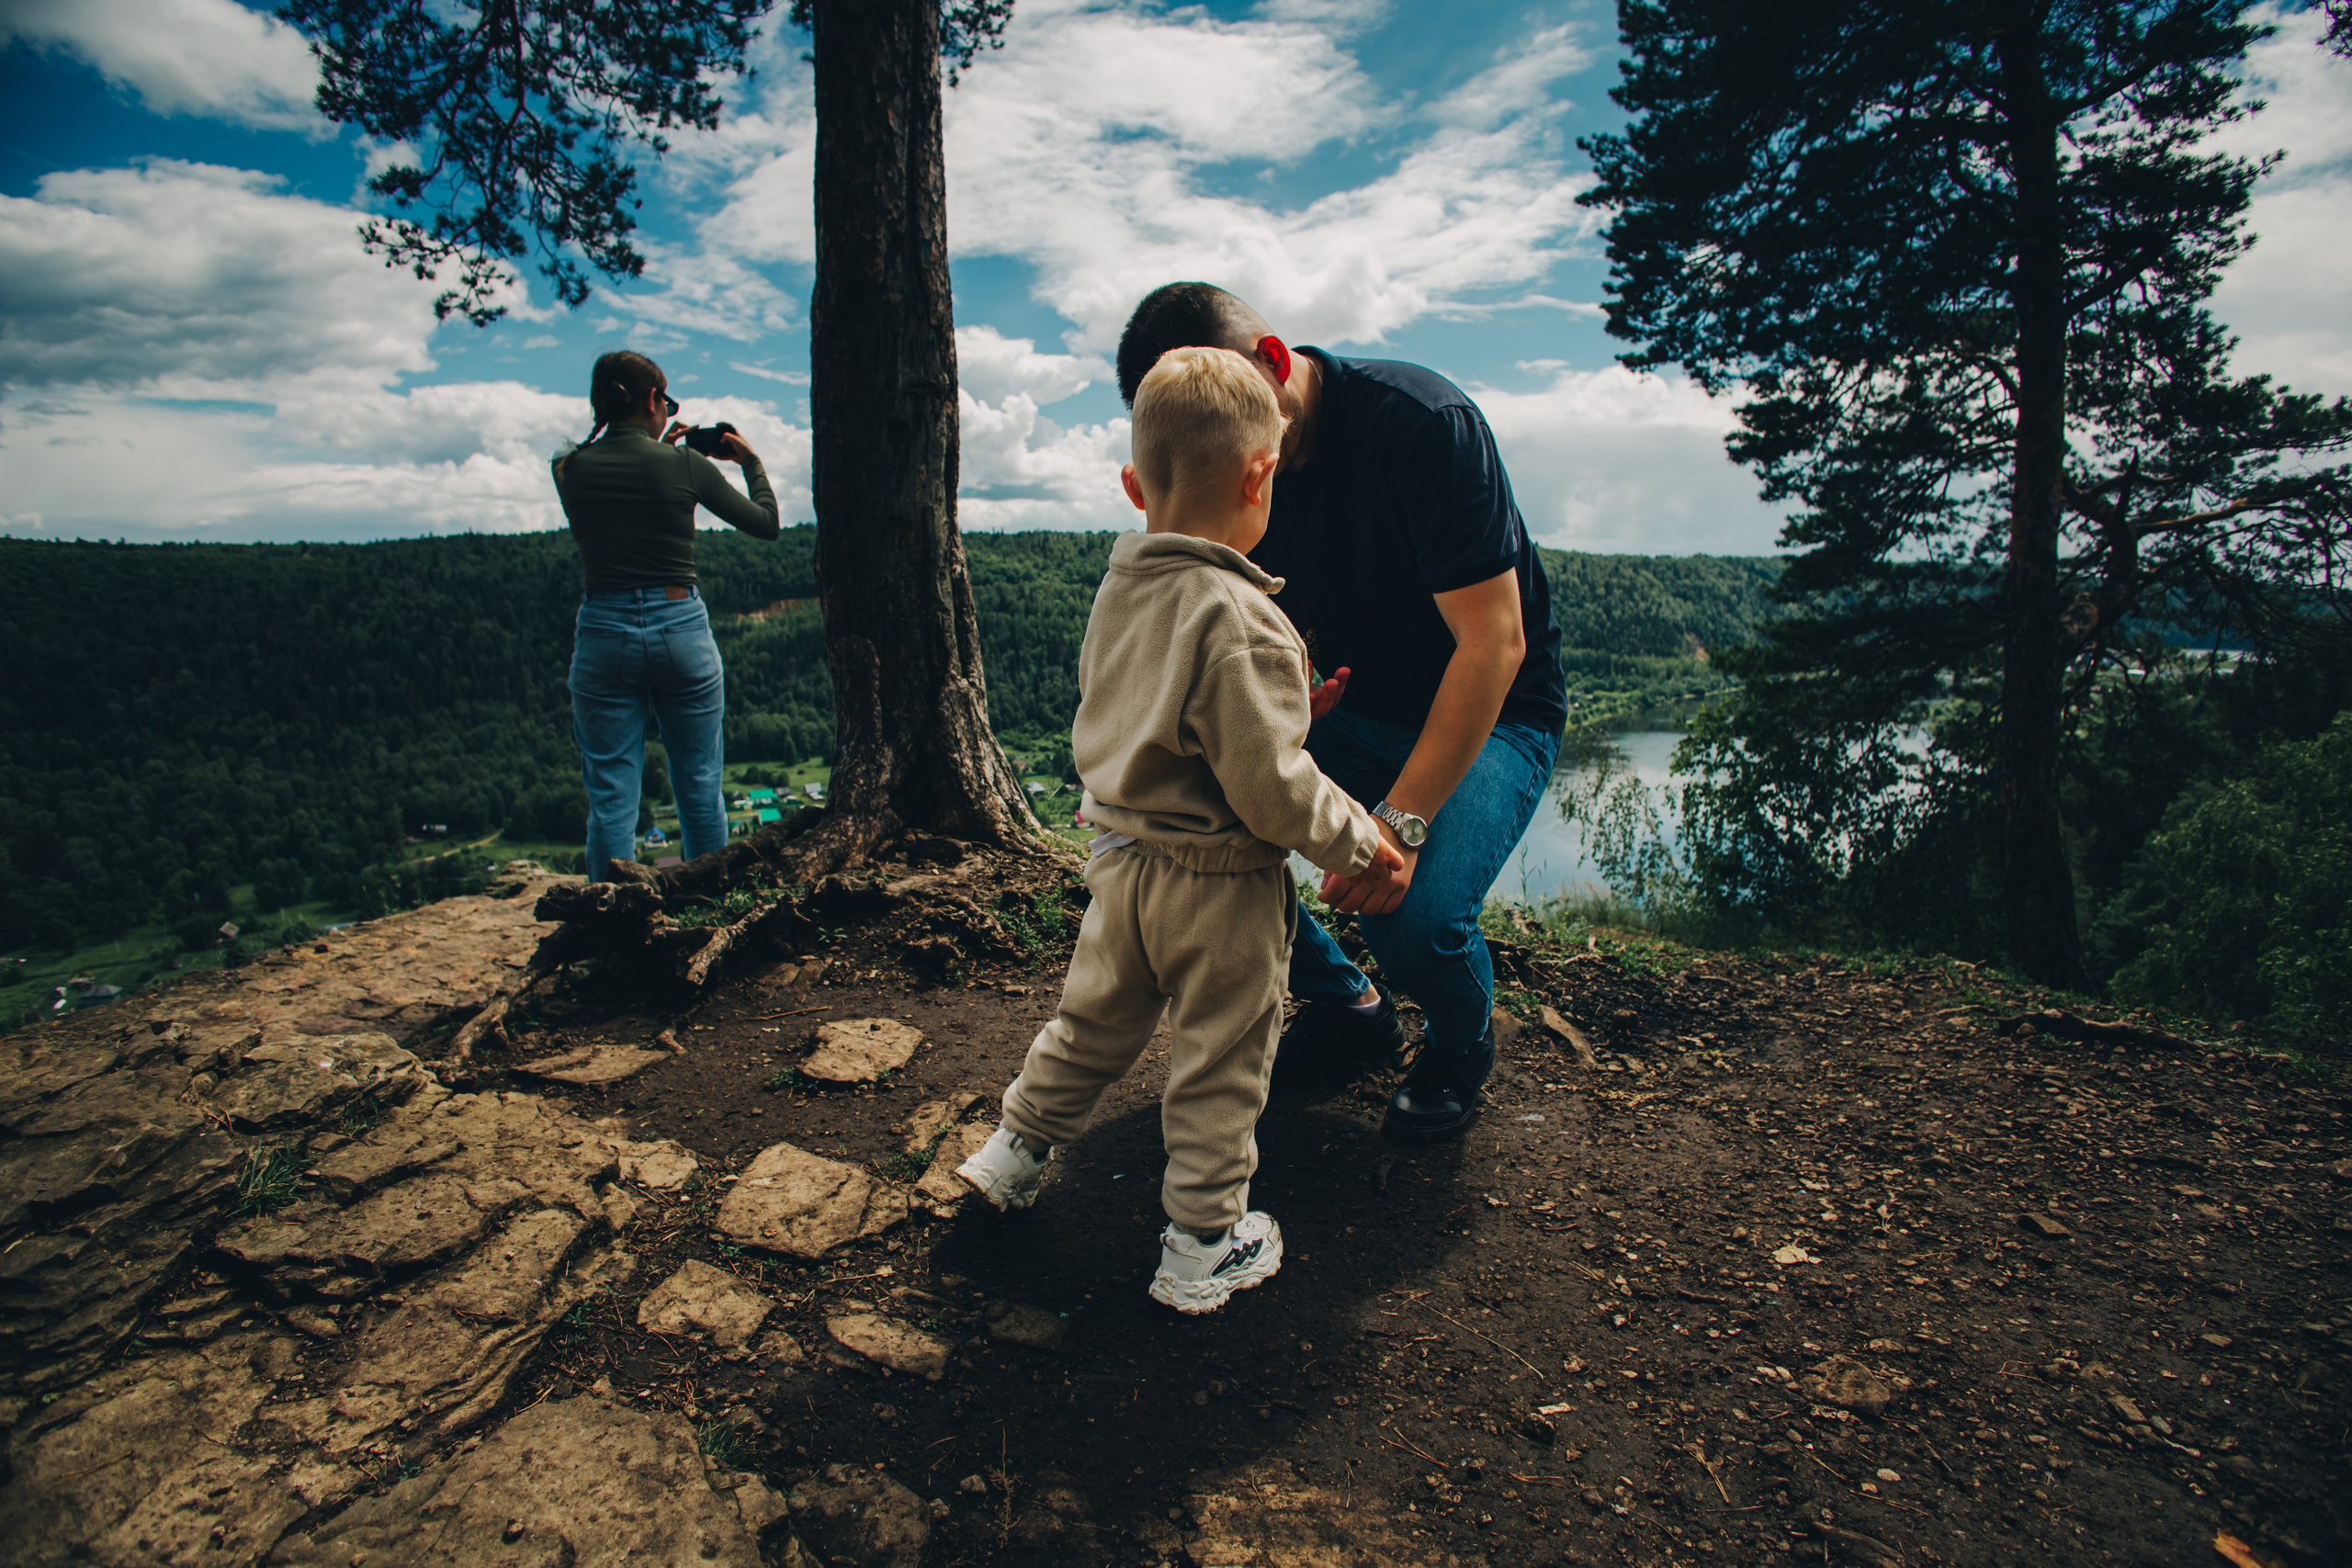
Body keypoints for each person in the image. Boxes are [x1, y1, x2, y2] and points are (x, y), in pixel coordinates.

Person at [956, 346, 1406, 1314]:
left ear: (1134, 485)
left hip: (1122, 868)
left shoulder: (1122, 588)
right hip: (1219, 891)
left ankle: (1012, 1153)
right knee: (1220, 1064)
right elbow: (1273, 793)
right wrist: (1363, 841)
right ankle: (1203, 1243)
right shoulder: (1241, 614)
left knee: (1089, 1026)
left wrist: (1284, 714)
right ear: (1260, 474)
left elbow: (1167, 716)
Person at [1112, 284, 1568, 1145]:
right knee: (1187, 842)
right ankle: (1350, 1008)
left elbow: (1494, 646)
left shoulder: (1423, 424)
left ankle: (1460, 1042)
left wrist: (1400, 821)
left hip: (1496, 710)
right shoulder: (1226, 465)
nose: (1215, 448)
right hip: (1347, 711)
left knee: (1413, 921)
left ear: (1273, 360)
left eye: (1229, 411)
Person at [551, 351, 780, 883]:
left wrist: (664, 454)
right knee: (699, 783)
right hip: (680, 630)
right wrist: (750, 461)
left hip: (603, 630)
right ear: (654, 398)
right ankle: (709, 904)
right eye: (667, 401)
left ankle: (610, 913)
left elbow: (623, 504)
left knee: (612, 794)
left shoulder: (569, 468)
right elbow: (767, 524)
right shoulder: (685, 466)